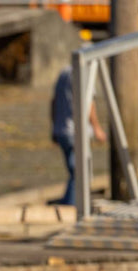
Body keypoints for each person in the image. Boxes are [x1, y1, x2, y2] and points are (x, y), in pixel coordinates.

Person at [50, 64, 106, 206]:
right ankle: (70, 207)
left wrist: (53, 127)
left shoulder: (63, 73)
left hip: (61, 129)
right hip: (76, 132)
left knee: (75, 172)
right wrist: (97, 128)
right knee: (80, 174)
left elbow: (53, 101)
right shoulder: (85, 73)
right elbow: (89, 104)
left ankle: (68, 204)